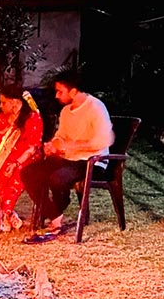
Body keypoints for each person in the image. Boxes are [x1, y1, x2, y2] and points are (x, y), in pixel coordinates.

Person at [20, 67, 114, 238]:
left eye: (59, 91)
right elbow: (61, 136)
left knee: (57, 178)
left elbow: (102, 141)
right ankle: (55, 214)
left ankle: (57, 211)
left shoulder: (96, 108)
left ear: (73, 91)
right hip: (69, 158)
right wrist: (53, 145)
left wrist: (71, 147)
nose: (56, 96)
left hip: (92, 161)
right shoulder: (65, 111)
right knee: (29, 172)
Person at [0, 84, 44, 233]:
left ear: (16, 102)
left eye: (4, 102)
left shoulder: (33, 118)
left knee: (16, 176)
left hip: (28, 160)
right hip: (5, 159)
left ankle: (4, 215)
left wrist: (16, 163)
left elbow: (32, 147)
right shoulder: (2, 120)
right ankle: (3, 215)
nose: (0, 105)